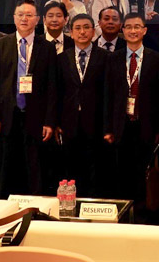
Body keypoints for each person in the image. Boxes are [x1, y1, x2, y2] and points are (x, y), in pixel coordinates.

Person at [0, 0, 58, 196]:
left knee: (34, 167)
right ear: (14, 18)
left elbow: (52, 88)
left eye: (29, 15)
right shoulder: (1, 45)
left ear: (37, 19)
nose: (24, 19)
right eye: (20, 15)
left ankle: (35, 208)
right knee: (6, 167)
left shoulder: (47, 47)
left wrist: (49, 121)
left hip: (36, 117)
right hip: (7, 116)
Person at [103, 13, 159, 207]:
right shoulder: (113, 58)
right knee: (122, 172)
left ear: (144, 30)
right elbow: (107, 95)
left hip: (146, 125)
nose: (132, 31)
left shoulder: (157, 59)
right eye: (128, 27)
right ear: (123, 30)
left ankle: (141, 212)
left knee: (142, 172)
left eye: (137, 27)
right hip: (120, 126)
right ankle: (124, 210)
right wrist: (108, 128)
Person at [57, 13, 109, 195]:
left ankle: (93, 203)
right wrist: (57, 122)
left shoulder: (106, 57)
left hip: (96, 122)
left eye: (86, 27)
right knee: (71, 167)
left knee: (96, 167)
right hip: (69, 122)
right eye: (77, 28)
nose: (82, 32)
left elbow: (108, 93)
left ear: (94, 31)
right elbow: (57, 92)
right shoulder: (62, 59)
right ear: (71, 33)